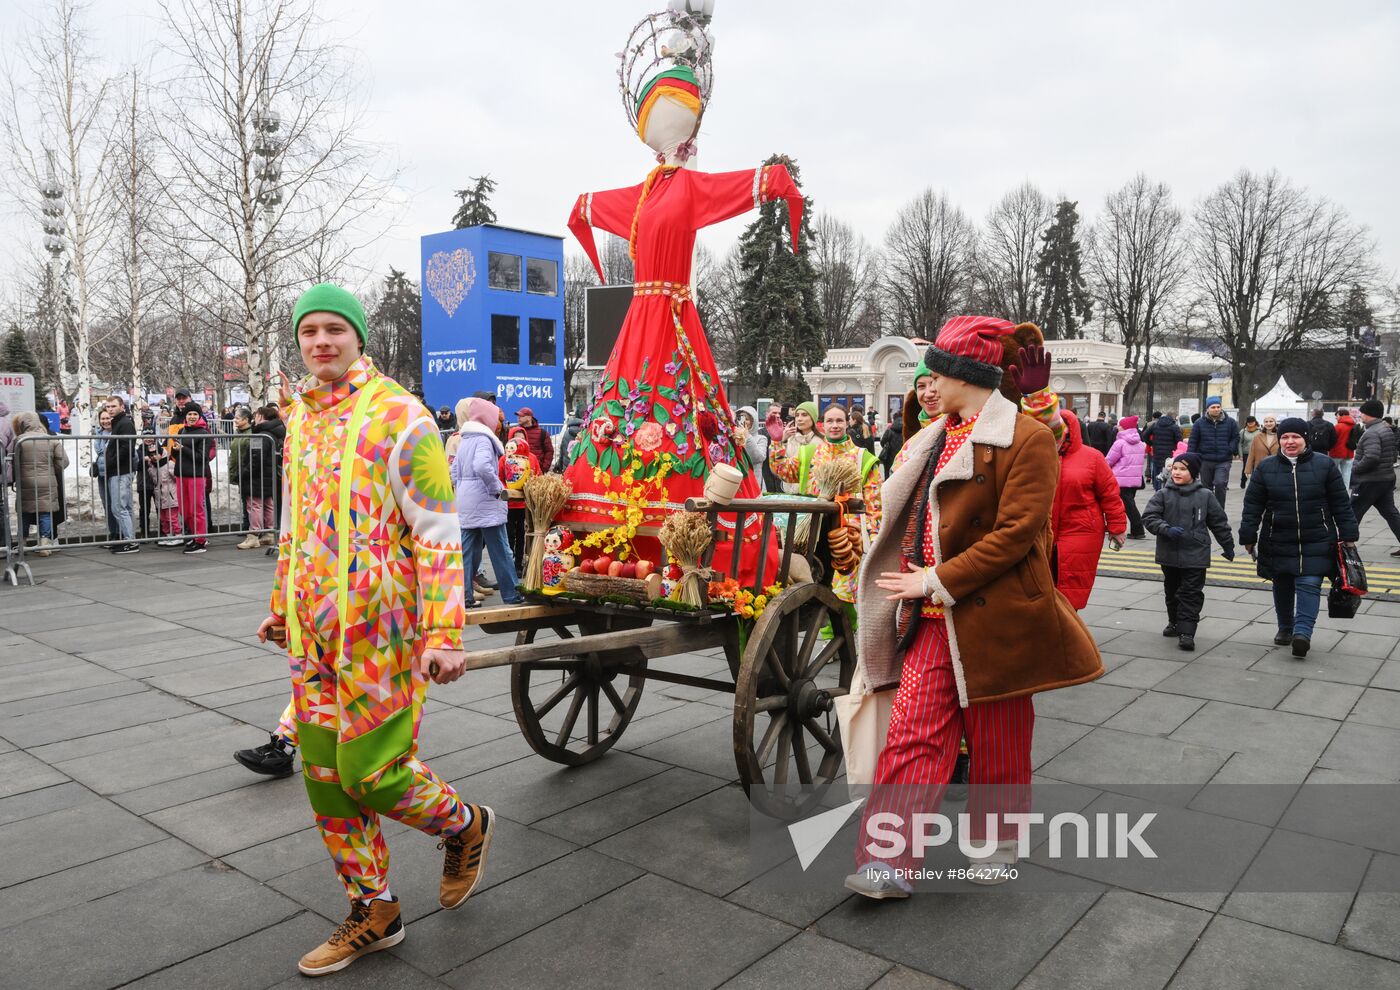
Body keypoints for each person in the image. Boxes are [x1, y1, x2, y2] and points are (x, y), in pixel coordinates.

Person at [255, 283, 493, 976]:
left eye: (334, 329)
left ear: (360, 337)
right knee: (327, 781)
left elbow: (440, 534)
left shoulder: (401, 416)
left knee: (373, 773)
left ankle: (464, 824)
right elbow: (296, 524)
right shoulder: (301, 419)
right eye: (310, 332)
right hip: (312, 633)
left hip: (381, 634)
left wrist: (445, 633)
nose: (321, 341)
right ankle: (375, 909)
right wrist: (283, 602)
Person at [845, 315, 1102, 899]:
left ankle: (996, 843)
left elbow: (1016, 534)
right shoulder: (930, 436)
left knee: (1001, 740)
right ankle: (886, 860)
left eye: (935, 373)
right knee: (912, 735)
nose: (926, 386)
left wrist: (936, 579)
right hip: (933, 620)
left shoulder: (1028, 438)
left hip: (1001, 615)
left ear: (964, 375)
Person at [1240, 417, 1359, 659]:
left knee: (1309, 583)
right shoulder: (1267, 467)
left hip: (1317, 537)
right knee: (1282, 584)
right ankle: (1285, 627)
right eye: (1285, 437)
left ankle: (1302, 633)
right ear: (1280, 440)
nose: (1290, 441)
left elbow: (1340, 504)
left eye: (1296, 437)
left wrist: (1348, 535)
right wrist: (1248, 535)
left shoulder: (1325, 465)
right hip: (1277, 537)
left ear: (1306, 439)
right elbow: (1253, 505)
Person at [769, 402, 882, 611]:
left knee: (843, 594)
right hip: (811, 534)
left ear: (848, 422)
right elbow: (783, 471)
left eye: (840, 420)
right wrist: (777, 442)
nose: (835, 425)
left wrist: (874, 536)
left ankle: (843, 637)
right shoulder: (810, 453)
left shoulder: (863, 458)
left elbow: (874, 503)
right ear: (822, 424)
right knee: (815, 587)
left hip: (846, 539)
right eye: (830, 421)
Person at [1142, 452, 1235, 651]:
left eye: (1182, 469)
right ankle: (1174, 622)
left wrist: (1228, 545)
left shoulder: (1205, 496)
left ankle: (1187, 632)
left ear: (1193, 472)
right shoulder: (1163, 494)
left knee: (1191, 593)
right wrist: (1165, 529)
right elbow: (1149, 517)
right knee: (1172, 590)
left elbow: (1219, 523)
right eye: (1174, 468)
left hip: (1196, 553)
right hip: (1169, 553)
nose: (1177, 472)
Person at [1051, 410, 1129, 609]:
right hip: (1043, 531)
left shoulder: (1092, 458)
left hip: (1081, 531)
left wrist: (1117, 527)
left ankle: (1068, 629)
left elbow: (1110, 494)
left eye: (1060, 426)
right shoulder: (1033, 455)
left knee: (1071, 586)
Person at [454, 397, 525, 609]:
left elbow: (455, 470)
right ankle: (512, 593)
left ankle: (464, 594)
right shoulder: (484, 440)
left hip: (466, 500)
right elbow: (483, 466)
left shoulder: (465, 439)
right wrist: (497, 488)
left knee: (468, 550)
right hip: (485, 500)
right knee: (501, 548)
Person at [12, 411, 69, 556]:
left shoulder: (19, 440)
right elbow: (64, 461)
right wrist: (50, 470)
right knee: (45, 512)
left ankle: (22, 543)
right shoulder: (51, 439)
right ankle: (44, 544)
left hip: (25, 481)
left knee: (24, 513)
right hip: (47, 481)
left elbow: (13, 462)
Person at [1350, 399, 1400, 556]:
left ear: (1369, 414)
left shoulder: (1372, 432)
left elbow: (1371, 457)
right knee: (1391, 513)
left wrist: (1356, 468)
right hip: (1385, 479)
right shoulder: (1385, 429)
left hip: (1369, 481)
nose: (1361, 415)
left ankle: (1344, 547)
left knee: (1352, 513)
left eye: (1362, 413)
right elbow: (1392, 455)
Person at [171, 406, 213, 553]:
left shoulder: (204, 433)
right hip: (181, 474)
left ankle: (200, 540)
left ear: (200, 416)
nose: (192, 417)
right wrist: (175, 450)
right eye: (190, 414)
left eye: (195, 414)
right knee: (184, 510)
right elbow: (176, 455)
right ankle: (195, 536)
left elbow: (202, 457)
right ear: (185, 416)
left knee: (197, 509)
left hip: (196, 475)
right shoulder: (181, 431)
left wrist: (183, 448)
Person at [1186, 396, 1239, 510]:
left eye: (1218, 407)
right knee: (1206, 488)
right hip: (1205, 459)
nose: (1216, 409)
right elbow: (1193, 441)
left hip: (1223, 460)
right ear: (1207, 409)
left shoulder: (1231, 422)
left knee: (1220, 484)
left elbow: (1235, 437)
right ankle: (1207, 511)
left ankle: (1219, 512)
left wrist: (1230, 449)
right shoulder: (1199, 423)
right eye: (1213, 407)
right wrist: (1190, 458)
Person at [499, 426, 540, 566]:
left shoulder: (532, 458)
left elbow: (538, 476)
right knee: (509, 534)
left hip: (525, 504)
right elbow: (500, 478)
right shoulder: (504, 459)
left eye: (522, 439)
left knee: (523, 534)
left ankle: (518, 563)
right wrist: (509, 490)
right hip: (509, 503)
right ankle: (508, 564)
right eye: (515, 438)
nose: (519, 441)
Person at [1106, 415, 1147, 539]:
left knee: (1125, 506)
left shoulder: (1120, 443)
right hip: (1134, 480)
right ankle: (1135, 529)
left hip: (1120, 479)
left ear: (1124, 428)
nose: (1118, 427)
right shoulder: (1140, 444)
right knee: (1129, 504)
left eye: (1120, 425)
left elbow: (1109, 460)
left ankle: (1138, 529)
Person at [1146, 411, 1183, 492]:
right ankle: (1167, 489)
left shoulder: (1155, 425)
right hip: (1170, 454)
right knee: (1169, 471)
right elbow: (1179, 441)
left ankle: (1157, 490)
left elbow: (1145, 435)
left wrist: (1152, 443)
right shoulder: (1174, 427)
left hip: (1157, 452)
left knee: (1157, 471)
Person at [512, 406, 554, 475]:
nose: (518, 418)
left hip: (536, 472)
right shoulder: (515, 432)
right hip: (518, 471)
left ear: (529, 417)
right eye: (518, 416)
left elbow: (549, 451)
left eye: (521, 416)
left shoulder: (542, 433)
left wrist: (543, 469)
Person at [734, 406, 768, 484]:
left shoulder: (761, 438)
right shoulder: (733, 437)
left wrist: (747, 436)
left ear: (753, 421)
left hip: (753, 482)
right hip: (736, 481)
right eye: (740, 419)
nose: (744, 422)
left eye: (747, 419)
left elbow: (758, 458)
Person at [1330, 408, 1357, 490]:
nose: (1336, 417)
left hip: (1337, 453)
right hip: (1349, 452)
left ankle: (1335, 490)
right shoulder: (1354, 425)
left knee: (1333, 473)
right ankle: (1345, 492)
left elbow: (1332, 440)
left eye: (1337, 415)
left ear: (1342, 415)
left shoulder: (1338, 426)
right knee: (1347, 474)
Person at [554, 404, 585, 471]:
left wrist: (560, 465)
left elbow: (561, 450)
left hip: (567, 469)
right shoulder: (588, 433)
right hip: (582, 470)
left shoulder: (566, 432)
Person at [1238, 415, 1260, 488]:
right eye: (1249, 422)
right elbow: (1240, 443)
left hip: (1257, 453)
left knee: (1256, 468)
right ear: (1246, 423)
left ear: (1255, 422)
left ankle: (1253, 483)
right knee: (1246, 468)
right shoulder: (1243, 431)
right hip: (1246, 453)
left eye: (1252, 422)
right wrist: (1240, 455)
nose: (1250, 424)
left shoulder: (1260, 431)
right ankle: (1243, 480)